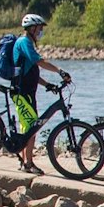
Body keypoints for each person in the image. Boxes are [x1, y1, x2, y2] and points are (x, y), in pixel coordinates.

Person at [9, 12, 71, 174]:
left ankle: (25, 162)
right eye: (39, 28)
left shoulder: (27, 42)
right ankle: (28, 164)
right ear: (32, 28)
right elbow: (39, 62)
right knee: (32, 128)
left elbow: (31, 72)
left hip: (27, 92)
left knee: (28, 128)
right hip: (23, 93)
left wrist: (47, 85)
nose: (41, 31)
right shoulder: (24, 42)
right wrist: (59, 71)